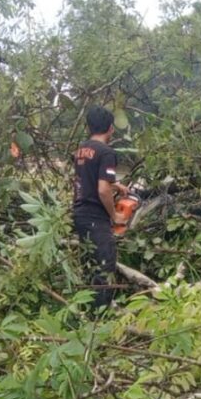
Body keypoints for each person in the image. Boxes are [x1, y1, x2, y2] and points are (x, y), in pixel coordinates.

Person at [72, 106, 128, 310]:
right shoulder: (107, 153)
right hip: (96, 217)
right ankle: (100, 317)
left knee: (89, 265)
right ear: (111, 128)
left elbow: (89, 178)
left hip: (80, 214)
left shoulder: (81, 149)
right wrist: (114, 216)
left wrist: (117, 184)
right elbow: (102, 189)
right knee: (104, 267)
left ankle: (85, 311)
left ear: (88, 126)